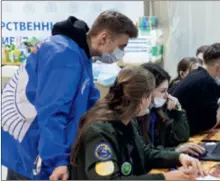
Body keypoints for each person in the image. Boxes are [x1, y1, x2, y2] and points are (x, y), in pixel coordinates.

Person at [1, 10, 138, 180]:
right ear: (104, 38)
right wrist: (57, 161)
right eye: (121, 46)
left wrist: (119, 116)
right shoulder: (63, 55)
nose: (121, 53)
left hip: (43, 143)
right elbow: (52, 112)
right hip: (32, 147)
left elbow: (90, 100)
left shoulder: (81, 54)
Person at [70, 66, 206, 180]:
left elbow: (144, 153)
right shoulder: (98, 131)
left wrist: (178, 156)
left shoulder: (128, 120)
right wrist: (165, 178)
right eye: (149, 96)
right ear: (142, 99)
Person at [172, 43, 220, 135]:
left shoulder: (198, 75)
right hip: (178, 137)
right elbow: (210, 125)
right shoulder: (207, 83)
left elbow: (205, 118)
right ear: (219, 67)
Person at [137, 63, 205, 157]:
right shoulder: (137, 115)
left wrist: (178, 110)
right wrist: (175, 150)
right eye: (162, 91)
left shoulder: (159, 109)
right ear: (147, 91)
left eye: (167, 91)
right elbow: (146, 153)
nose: (167, 96)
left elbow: (181, 137)